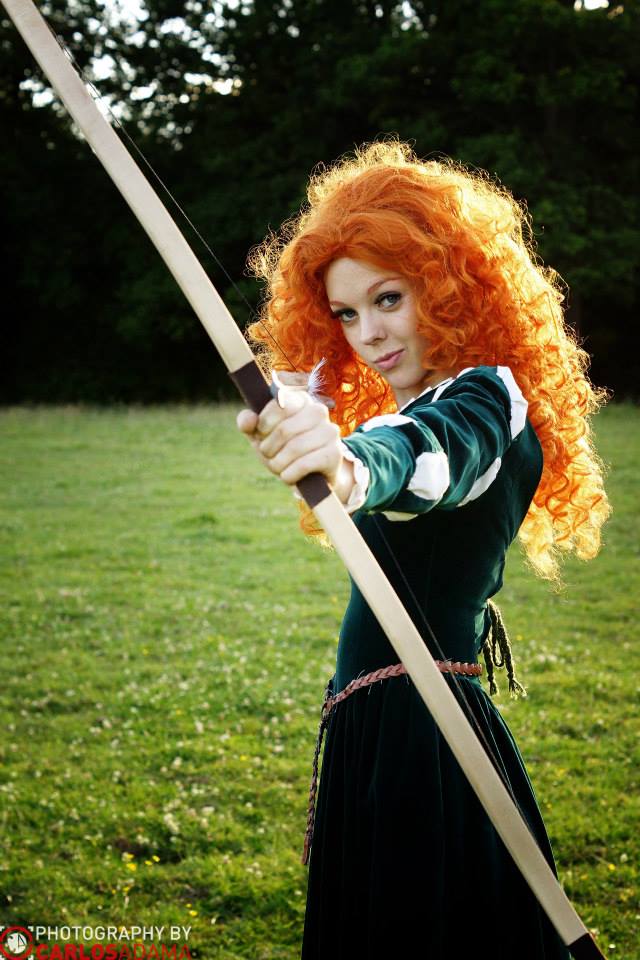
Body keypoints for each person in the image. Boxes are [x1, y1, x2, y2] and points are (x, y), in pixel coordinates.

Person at [236, 141, 610, 959]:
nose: (368, 333)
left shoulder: (485, 394)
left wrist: (346, 463)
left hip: (423, 736)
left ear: (446, 286)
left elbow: (424, 459)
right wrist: (322, 435)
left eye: (388, 298)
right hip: (390, 724)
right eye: (345, 314)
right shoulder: (421, 404)